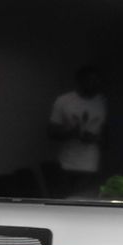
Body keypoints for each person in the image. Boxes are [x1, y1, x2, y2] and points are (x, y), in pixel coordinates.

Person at [49, 65, 107, 198]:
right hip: (66, 164)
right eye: (89, 81)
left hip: (92, 165)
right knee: (65, 202)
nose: (93, 84)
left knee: (84, 203)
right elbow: (51, 132)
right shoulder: (64, 101)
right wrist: (71, 133)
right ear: (79, 81)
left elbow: (109, 136)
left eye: (96, 81)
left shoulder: (103, 102)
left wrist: (96, 139)